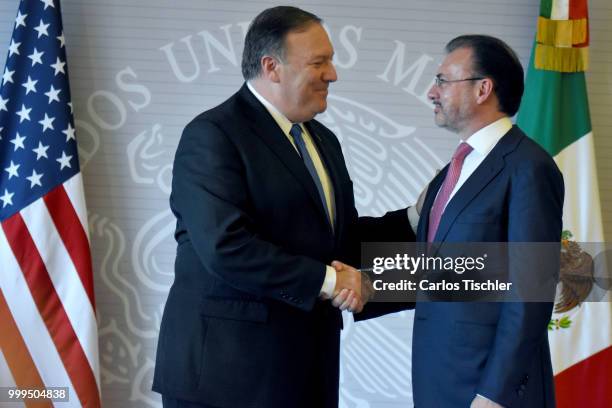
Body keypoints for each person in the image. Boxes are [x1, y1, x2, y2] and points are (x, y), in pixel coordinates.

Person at [152, 6, 415, 408]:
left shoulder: (323, 140)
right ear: (272, 67)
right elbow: (227, 247)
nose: (333, 73)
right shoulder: (213, 135)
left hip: (306, 373)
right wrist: (332, 282)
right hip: (228, 382)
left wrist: (415, 218)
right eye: (319, 62)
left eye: (331, 60)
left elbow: (334, 241)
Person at [337, 35, 563, 407]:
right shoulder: (450, 174)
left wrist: (494, 393)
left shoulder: (529, 168)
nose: (431, 91)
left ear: (482, 89)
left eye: (443, 80)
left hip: (490, 389)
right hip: (439, 380)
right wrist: (367, 285)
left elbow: (530, 291)